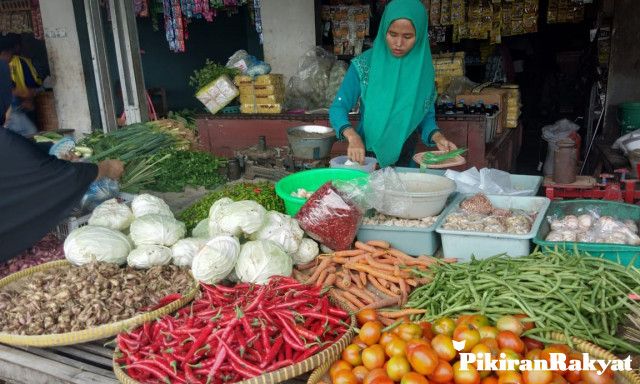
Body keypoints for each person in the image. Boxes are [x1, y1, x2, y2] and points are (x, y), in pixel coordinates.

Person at [329, 0, 457, 167]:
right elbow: (338, 108)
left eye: (407, 37)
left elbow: (424, 115)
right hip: (366, 158)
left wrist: (438, 137)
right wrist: (352, 136)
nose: (398, 43)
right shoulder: (365, 65)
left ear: (419, 36)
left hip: (405, 158)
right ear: (384, 30)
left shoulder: (422, 72)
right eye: (392, 34)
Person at [0, 125, 124, 262]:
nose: (10, 111)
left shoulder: (7, 141)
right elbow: (52, 175)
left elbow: (28, 169)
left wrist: (57, 159)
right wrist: (105, 168)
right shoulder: (7, 141)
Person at [5, 33, 41, 136]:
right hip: (11, 113)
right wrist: (26, 96)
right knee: (31, 133)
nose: (11, 57)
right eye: (10, 55)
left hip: (15, 110)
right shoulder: (20, 61)